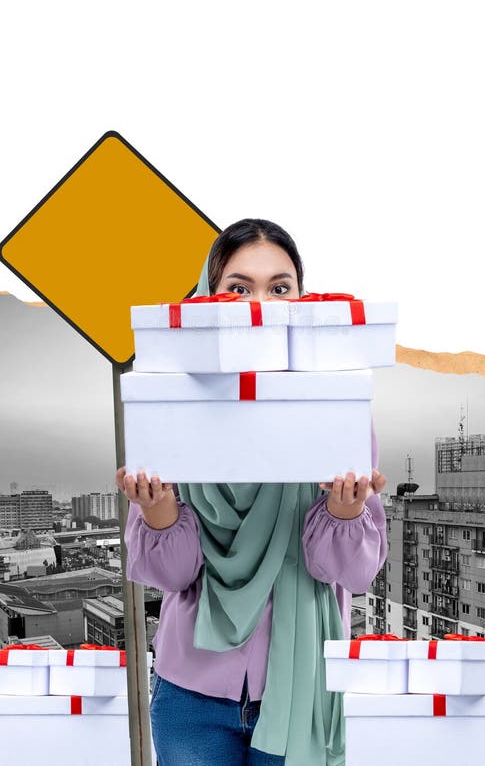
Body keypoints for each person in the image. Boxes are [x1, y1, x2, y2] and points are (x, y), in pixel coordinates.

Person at [117, 218, 388, 766]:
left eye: (279, 288)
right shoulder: (171, 409)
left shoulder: (336, 413)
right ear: (209, 300)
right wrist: (160, 511)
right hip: (190, 698)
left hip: (299, 692)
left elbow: (355, 574)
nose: (259, 306)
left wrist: (343, 511)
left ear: (302, 303)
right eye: (238, 289)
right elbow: (169, 577)